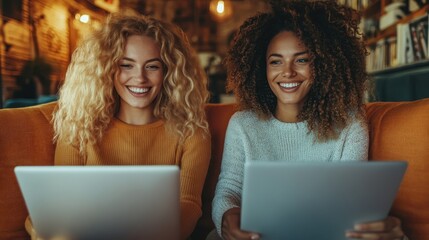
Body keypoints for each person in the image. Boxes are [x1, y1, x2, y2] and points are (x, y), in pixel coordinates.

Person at [210, 1, 406, 240]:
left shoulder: (349, 124)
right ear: (261, 68)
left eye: (302, 60)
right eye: (276, 61)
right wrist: (227, 216)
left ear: (322, 65)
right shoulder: (243, 124)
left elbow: (349, 201)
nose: (288, 72)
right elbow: (229, 188)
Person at [25, 13, 211, 240]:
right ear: (107, 68)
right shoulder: (79, 127)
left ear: (168, 72)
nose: (139, 78)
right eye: (126, 65)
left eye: (152, 67)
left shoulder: (192, 131)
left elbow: (189, 203)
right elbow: (62, 201)